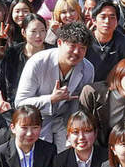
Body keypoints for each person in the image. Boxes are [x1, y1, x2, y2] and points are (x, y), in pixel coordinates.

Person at [14, 21, 94, 149]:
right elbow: (20, 103)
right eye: (72, 46)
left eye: (82, 48)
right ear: (60, 43)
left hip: (65, 124)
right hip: (36, 124)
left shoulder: (88, 68)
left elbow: (79, 106)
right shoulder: (37, 62)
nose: (76, 52)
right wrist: (51, 99)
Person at [86, 0, 125, 77]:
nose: (107, 21)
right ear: (94, 20)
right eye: (103, 17)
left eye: (112, 17)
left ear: (117, 22)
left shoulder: (123, 42)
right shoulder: (85, 40)